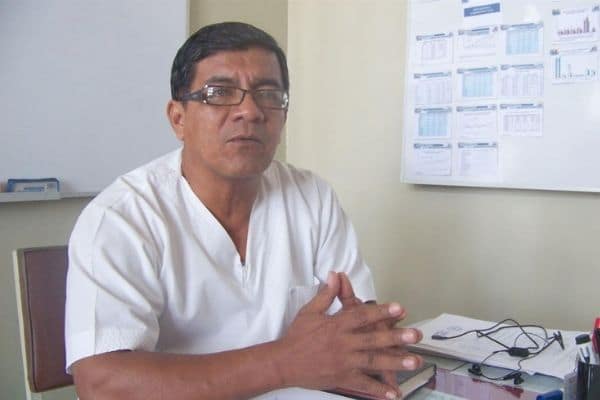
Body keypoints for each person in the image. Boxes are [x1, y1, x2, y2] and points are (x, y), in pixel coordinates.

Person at [65, 22, 423, 400]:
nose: (250, 111)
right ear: (178, 119)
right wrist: (285, 362)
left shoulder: (311, 196)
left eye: (268, 94)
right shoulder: (122, 218)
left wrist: (368, 341)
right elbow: (100, 385)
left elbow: (355, 325)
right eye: (219, 93)